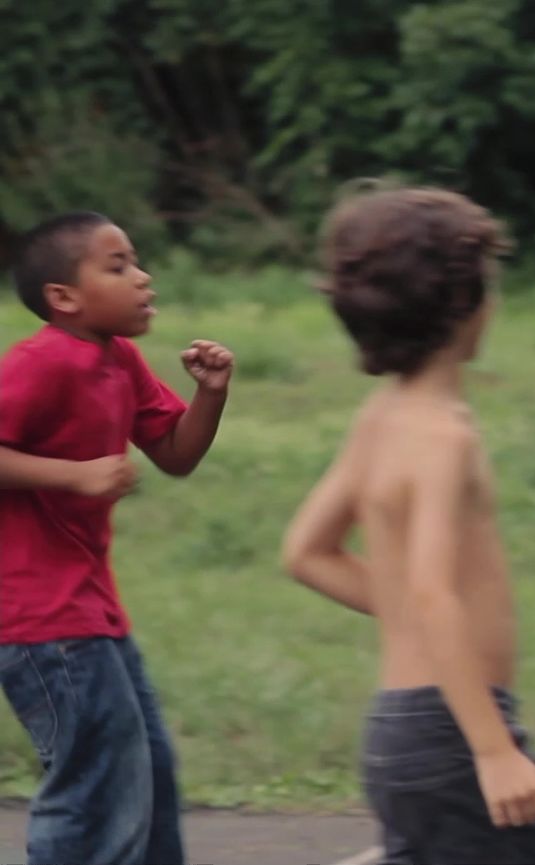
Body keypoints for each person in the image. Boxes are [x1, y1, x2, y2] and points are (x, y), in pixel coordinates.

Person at [281, 187, 535, 864]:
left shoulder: (381, 417)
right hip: (453, 733)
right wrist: (494, 751)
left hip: (400, 731)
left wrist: (422, 629)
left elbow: (307, 551)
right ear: (464, 304)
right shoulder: (446, 436)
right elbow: (430, 589)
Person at [0, 210, 234, 864]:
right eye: (118, 265)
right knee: (96, 793)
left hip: (92, 614)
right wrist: (72, 474)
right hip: (41, 620)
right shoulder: (41, 361)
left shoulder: (117, 360)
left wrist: (210, 394)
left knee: (149, 776)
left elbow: (174, 452)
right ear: (63, 298)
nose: (143, 278)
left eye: (136, 261)